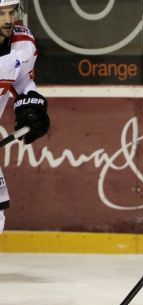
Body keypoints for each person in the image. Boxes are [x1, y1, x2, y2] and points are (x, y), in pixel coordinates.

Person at [0, 0, 50, 234]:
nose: (9, 20)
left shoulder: (22, 44)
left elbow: (22, 80)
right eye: (1, 14)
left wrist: (30, 105)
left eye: (12, 12)